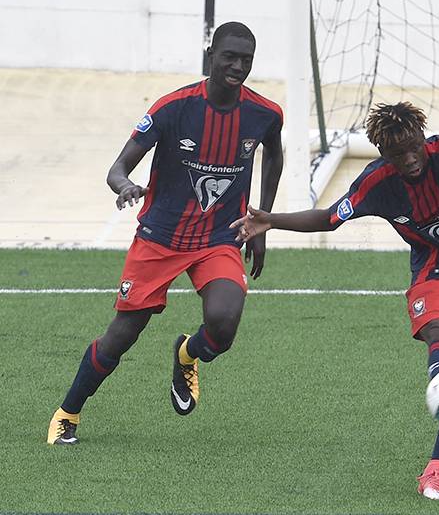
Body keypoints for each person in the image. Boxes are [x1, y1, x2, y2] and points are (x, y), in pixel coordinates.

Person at [231, 101, 439, 500]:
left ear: (421, 138)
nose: (410, 159)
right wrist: (272, 219)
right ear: (383, 153)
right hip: (434, 272)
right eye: (398, 154)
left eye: (414, 147)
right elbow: (328, 218)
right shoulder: (375, 183)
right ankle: (435, 466)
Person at [47, 22, 284, 445]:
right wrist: (126, 187)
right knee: (122, 336)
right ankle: (69, 411)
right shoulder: (172, 108)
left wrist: (261, 220)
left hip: (218, 238)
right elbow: (117, 169)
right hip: (161, 237)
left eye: (246, 60)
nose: (238, 66)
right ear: (211, 56)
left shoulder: (265, 114)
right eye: (230, 57)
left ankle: (187, 353)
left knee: (224, 323)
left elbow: (275, 155)